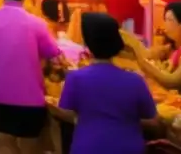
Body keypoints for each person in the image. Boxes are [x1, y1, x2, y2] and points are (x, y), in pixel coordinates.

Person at [0, 0, 62, 153]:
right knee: (29, 149)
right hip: (31, 104)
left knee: (2, 147)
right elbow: (55, 56)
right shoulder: (38, 24)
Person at [58, 13, 158, 154]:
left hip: (87, 147)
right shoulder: (135, 80)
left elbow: (64, 111)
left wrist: (87, 118)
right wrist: (124, 119)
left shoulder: (75, 78)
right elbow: (153, 120)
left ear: (88, 44)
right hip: (127, 148)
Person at [125, 1, 181, 96]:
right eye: (165, 19)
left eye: (170, 20)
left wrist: (141, 60)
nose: (165, 24)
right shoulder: (173, 48)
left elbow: (173, 81)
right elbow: (149, 54)